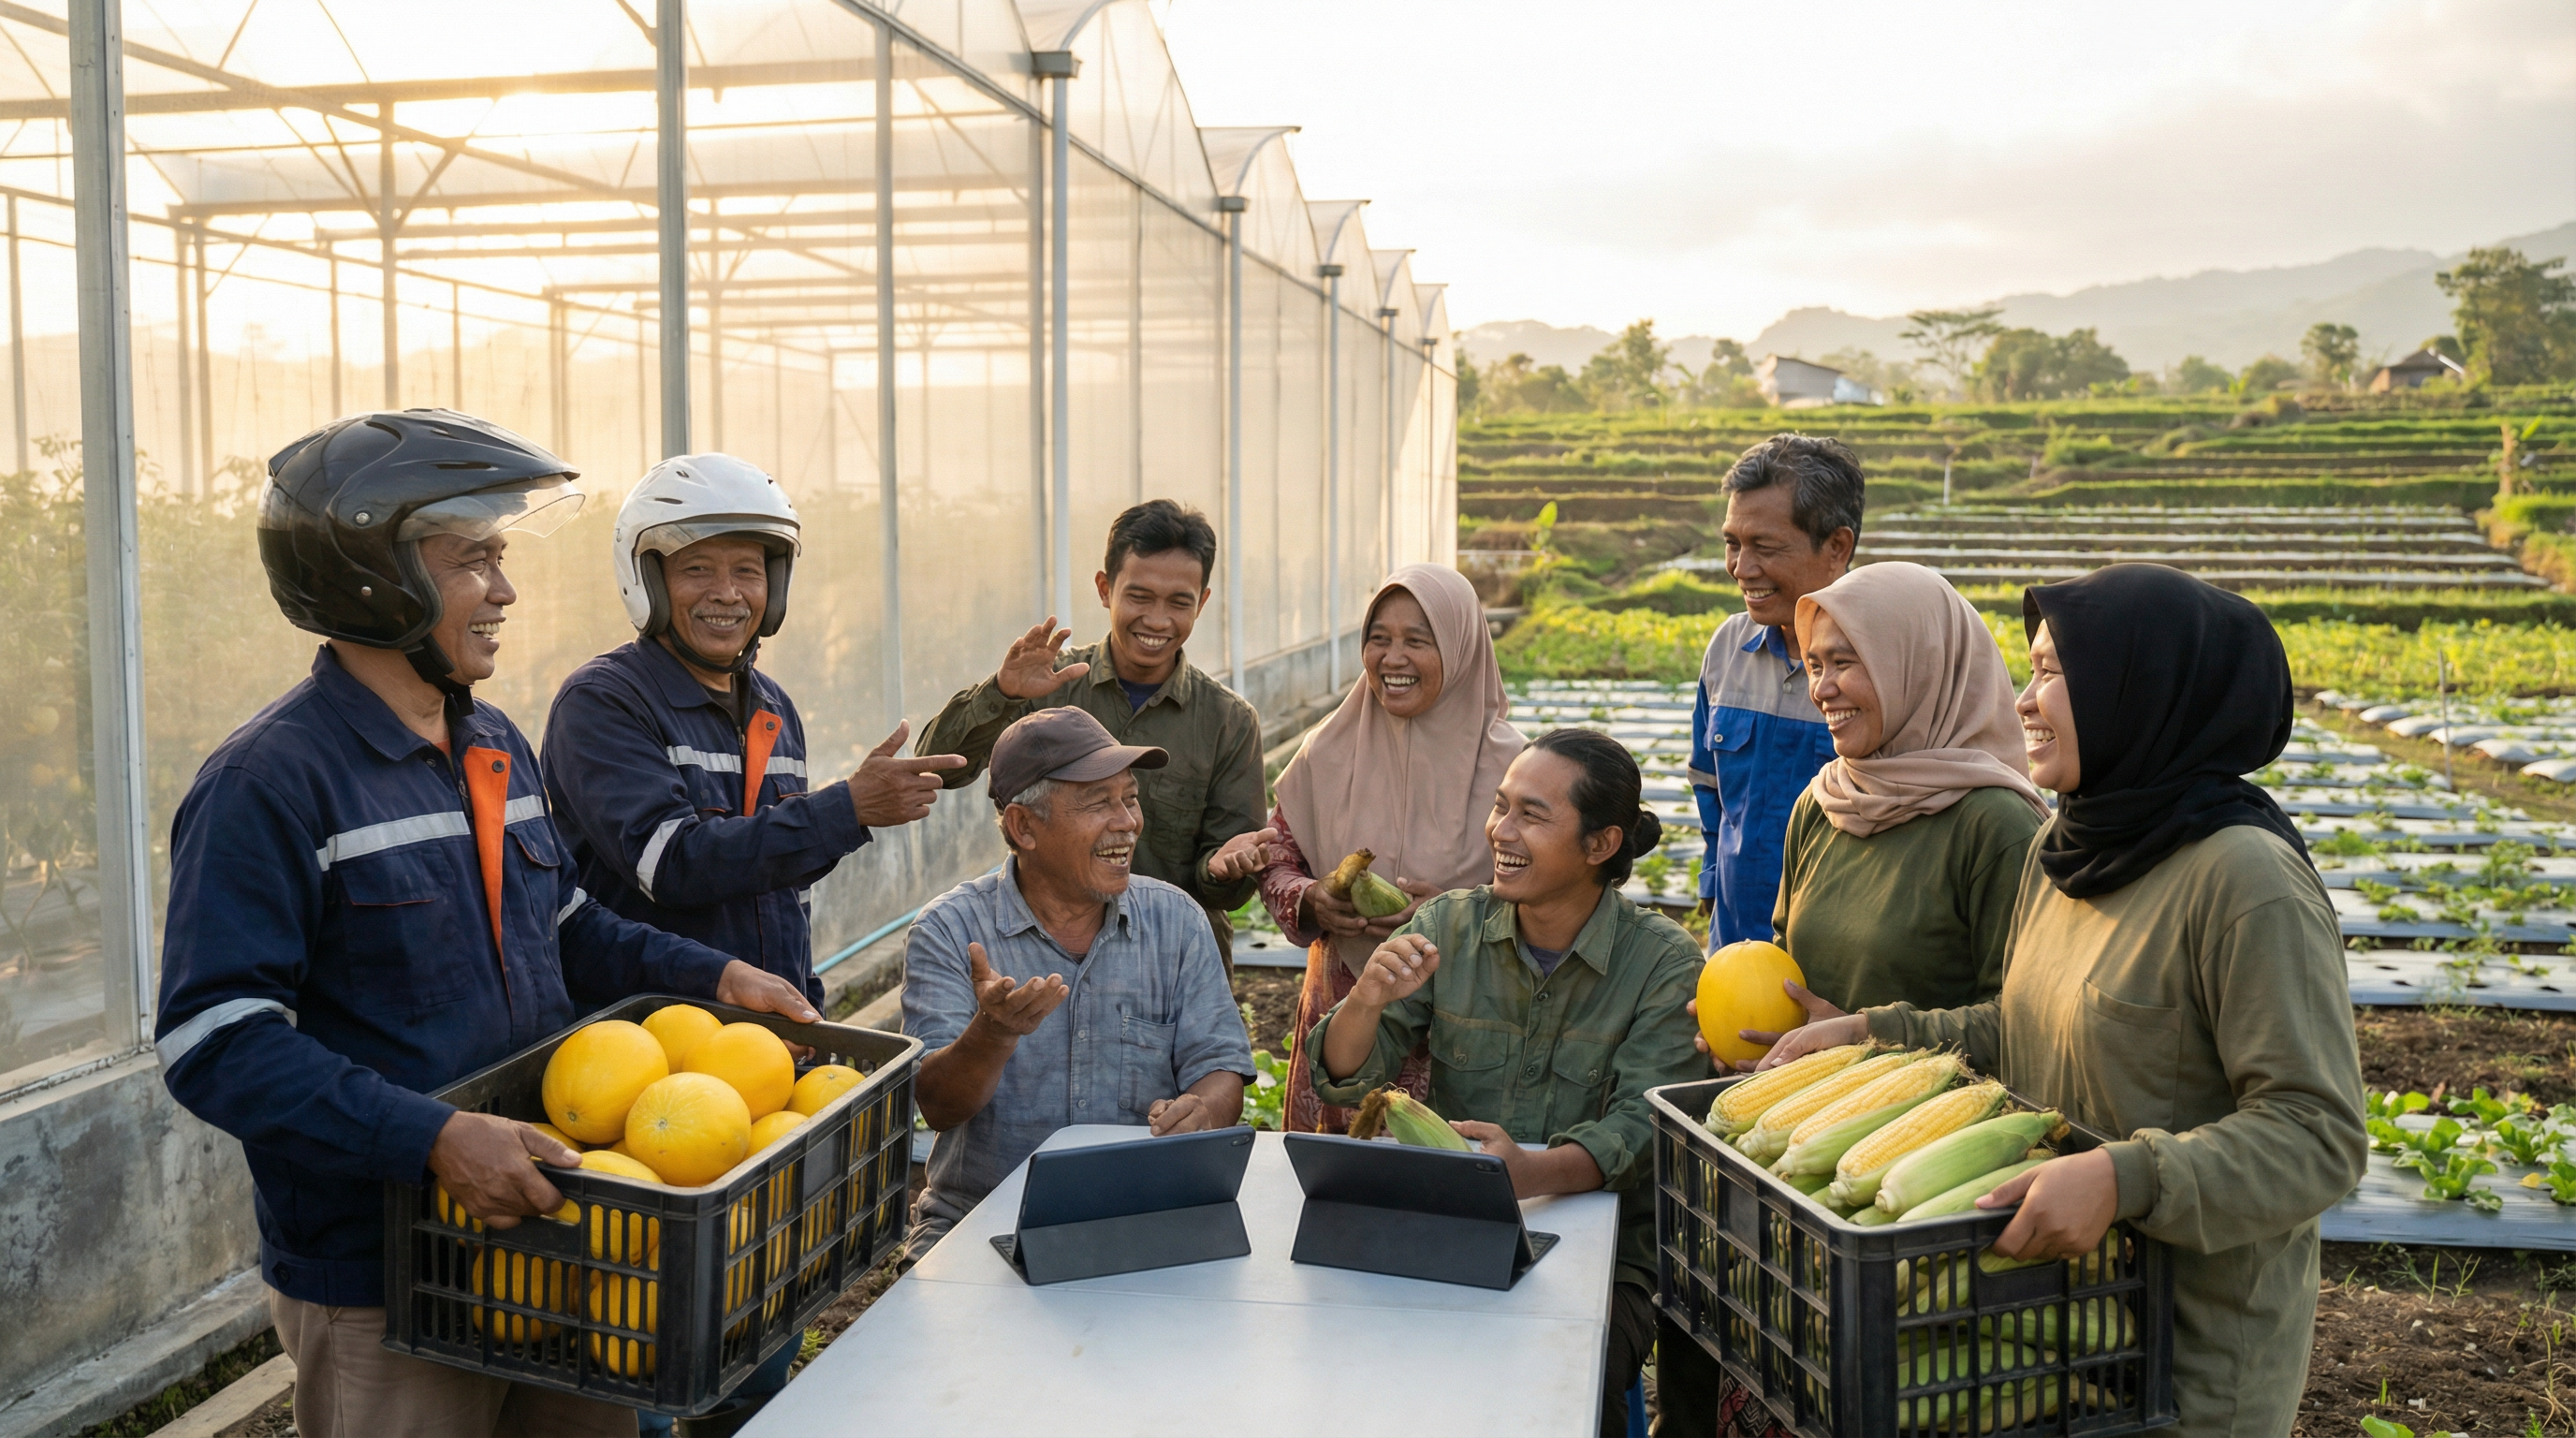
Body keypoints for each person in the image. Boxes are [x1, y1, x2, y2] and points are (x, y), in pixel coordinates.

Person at [154, 411, 820, 1438]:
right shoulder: (272, 783)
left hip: (552, 1222)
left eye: (500, 558)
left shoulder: (493, 742)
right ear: (372, 576)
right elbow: (216, 1045)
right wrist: (434, 1139)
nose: (505, 591)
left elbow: (565, 924)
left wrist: (715, 976)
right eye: (474, 561)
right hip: (386, 1278)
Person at [1755, 563, 2367, 1436]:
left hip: (2183, 1357)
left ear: (2141, 691)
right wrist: (1870, 1032)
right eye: (2027, 672)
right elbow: (2023, 1027)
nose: (2024, 703)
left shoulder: (2245, 880)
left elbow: (2319, 1136)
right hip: (2051, 1320)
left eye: (2052, 675)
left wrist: (2127, 1177)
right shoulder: (2066, 848)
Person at [539, 453, 964, 1431]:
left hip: (762, 1056)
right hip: (647, 1060)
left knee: (758, 1301)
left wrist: (807, 984)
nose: (728, 593)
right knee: (646, 1319)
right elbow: (671, 864)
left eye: (749, 569)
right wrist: (843, 812)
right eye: (698, 569)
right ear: (645, 579)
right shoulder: (605, 704)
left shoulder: (771, 708)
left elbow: (774, 871)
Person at [1309, 727, 1706, 1438]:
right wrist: (1365, 1000)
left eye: (1531, 814)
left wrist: (1530, 1171)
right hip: (1454, 1226)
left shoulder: (1664, 963)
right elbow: (1344, 1077)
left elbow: (1643, 1128)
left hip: (1610, 1259)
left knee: (1554, 1385)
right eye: (1500, 807)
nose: (1501, 831)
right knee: (1361, 1364)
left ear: (1600, 843)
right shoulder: (1450, 925)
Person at [902, 707, 1255, 1255]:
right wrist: (992, 1035)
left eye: (1130, 797)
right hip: (984, 1223)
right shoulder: (950, 931)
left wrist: (1204, 1111)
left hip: (1141, 1214)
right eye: (1098, 803)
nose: (1128, 822)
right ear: (1024, 827)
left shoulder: (1176, 921)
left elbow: (1219, 1068)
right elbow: (937, 1107)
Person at [918, 500, 1272, 962]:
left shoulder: (1228, 721)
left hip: (1170, 962)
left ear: (1202, 602)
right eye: (1139, 597)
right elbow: (938, 768)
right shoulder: (1049, 685)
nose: (1158, 620)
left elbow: (1224, 884)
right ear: (1105, 589)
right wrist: (1003, 692)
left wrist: (1225, 868)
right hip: (1043, 952)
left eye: (1179, 602)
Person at [1725, 560, 2047, 1048]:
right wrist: (1749, 1028)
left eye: (1845, 662)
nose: (1822, 689)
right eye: (1815, 665)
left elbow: (2028, 1024)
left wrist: (1869, 1036)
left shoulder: (1997, 825)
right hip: (1808, 1111)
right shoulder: (1822, 803)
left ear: (1915, 664)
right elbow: (1786, 966)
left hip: (1934, 1118)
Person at [1258, 562, 1525, 1132]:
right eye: (1378, 639)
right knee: (1340, 1182)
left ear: (1460, 649)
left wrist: (1453, 911)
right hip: (1342, 1000)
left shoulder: (1517, 768)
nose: (1392, 658)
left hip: (1468, 1014)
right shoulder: (1327, 747)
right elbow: (1279, 855)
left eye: (1416, 641)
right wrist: (1311, 898)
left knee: (1452, 1176)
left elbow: (1557, 890)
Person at [1690, 434, 1862, 947]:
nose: (1742, 569)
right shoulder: (1727, 648)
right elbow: (1709, 786)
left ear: (1837, 547)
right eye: (1732, 544)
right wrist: (1713, 880)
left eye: (1764, 547)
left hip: (1840, 962)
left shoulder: (1886, 663)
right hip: (1737, 949)